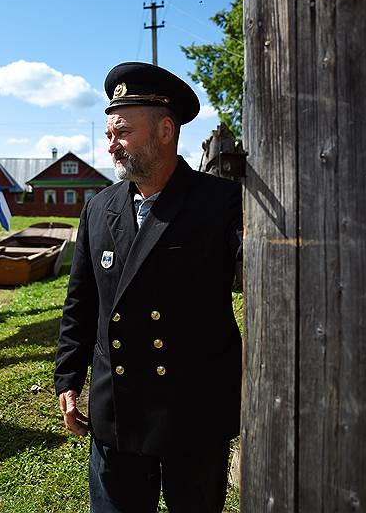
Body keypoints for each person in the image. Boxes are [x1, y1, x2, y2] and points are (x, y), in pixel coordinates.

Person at [54, 62, 242, 512]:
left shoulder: (222, 204)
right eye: (109, 132)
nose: (111, 144)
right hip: (117, 408)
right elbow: (81, 303)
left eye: (123, 131)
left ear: (164, 129)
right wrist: (68, 377)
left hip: (192, 409)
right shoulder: (99, 208)